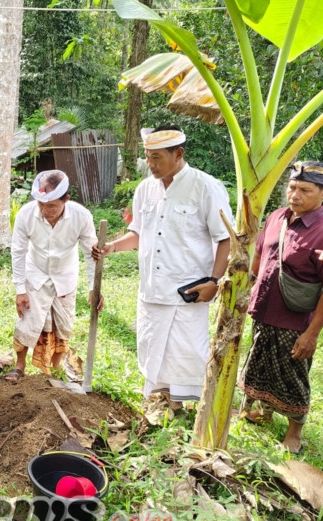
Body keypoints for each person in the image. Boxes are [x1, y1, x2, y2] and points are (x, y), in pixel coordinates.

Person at [92, 125, 233, 408]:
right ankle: (158, 403)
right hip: (152, 290)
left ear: (178, 154)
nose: (151, 164)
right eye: (148, 157)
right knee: (151, 347)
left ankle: (184, 407)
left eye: (157, 157)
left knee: (185, 353)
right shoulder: (146, 189)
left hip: (188, 290)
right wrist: (113, 247)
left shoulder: (205, 187)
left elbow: (225, 238)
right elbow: (138, 232)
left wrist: (214, 281)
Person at [239, 161, 323, 453]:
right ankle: (262, 411)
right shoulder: (276, 217)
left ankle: (294, 434)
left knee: (293, 374)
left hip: (295, 319)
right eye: (292, 187)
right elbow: (260, 257)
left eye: (305, 190)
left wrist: (311, 334)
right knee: (259, 361)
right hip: (264, 309)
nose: (295, 195)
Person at [6, 169, 100, 381]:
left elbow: (91, 254)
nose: (44, 210)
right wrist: (20, 289)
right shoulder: (26, 214)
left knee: (62, 325)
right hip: (35, 273)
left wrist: (94, 288)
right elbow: (18, 251)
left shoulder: (81, 216)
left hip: (65, 276)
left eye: (51, 205)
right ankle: (19, 366)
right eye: (40, 204)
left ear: (66, 199)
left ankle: (54, 371)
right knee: (27, 320)